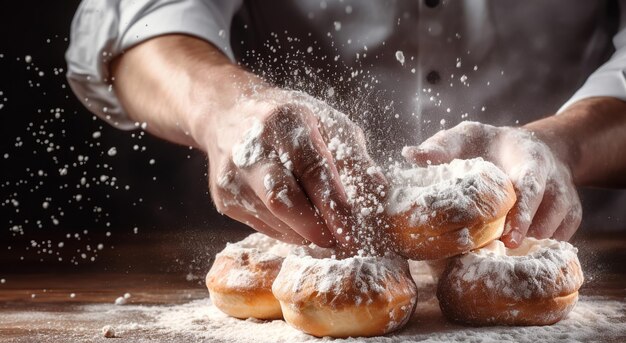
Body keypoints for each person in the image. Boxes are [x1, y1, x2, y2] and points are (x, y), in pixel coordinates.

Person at [66, 0, 626, 251]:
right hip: (291, 232)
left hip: (553, 240)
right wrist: (228, 108)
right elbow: (140, 19)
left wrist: (564, 142)